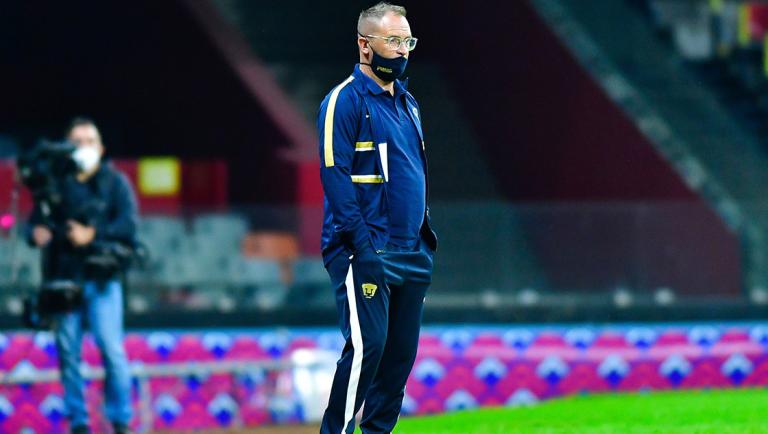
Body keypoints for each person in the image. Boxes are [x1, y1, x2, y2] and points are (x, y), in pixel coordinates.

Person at [317, 3, 438, 433]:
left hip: (411, 252)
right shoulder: (342, 102)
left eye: (408, 41)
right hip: (366, 251)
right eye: (393, 41)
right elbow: (335, 178)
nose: (403, 51)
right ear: (365, 45)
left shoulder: (410, 104)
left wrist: (425, 240)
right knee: (369, 349)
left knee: (399, 359)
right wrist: (363, 248)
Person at [28, 117, 137, 434]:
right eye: (76, 142)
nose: (83, 148)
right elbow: (37, 221)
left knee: (111, 348)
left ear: (101, 148)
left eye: (89, 141)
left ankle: (120, 420)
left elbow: (128, 227)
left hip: (103, 277)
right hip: (64, 278)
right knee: (68, 352)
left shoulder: (116, 183)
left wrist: (93, 234)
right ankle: (79, 422)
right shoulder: (55, 183)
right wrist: (35, 232)